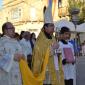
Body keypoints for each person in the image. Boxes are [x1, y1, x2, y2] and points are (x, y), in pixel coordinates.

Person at [32, 5, 64, 85]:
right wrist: (52, 50)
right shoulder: (40, 41)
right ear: (45, 27)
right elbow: (38, 58)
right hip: (46, 72)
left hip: (56, 68)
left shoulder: (53, 37)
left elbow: (56, 51)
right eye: (51, 25)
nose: (53, 27)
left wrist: (58, 52)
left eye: (53, 25)